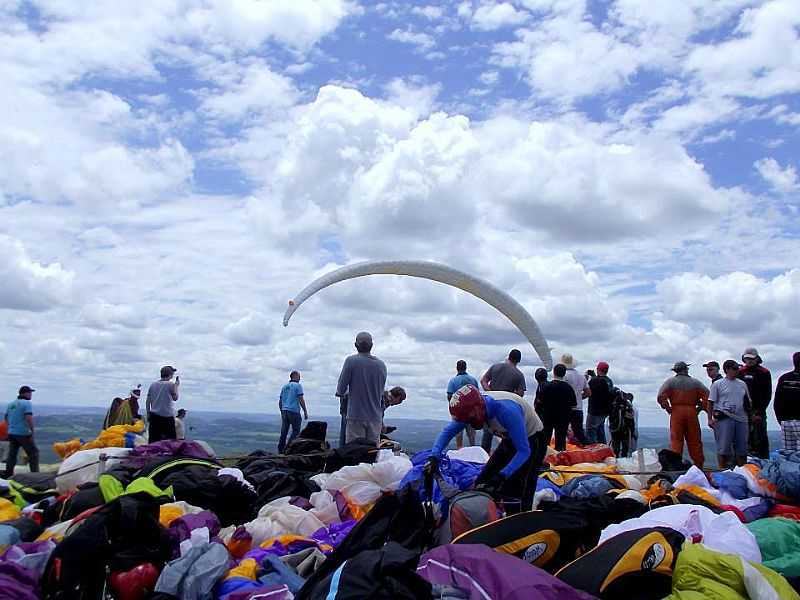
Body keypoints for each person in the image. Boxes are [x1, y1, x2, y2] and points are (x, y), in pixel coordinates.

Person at [428, 385, 544, 512]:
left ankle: (521, 519)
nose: (469, 423)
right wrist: (434, 456)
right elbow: (448, 432)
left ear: (478, 409)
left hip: (532, 438)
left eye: (470, 420)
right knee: (483, 481)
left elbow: (524, 451)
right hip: (508, 438)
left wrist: (503, 475)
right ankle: (485, 513)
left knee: (518, 487)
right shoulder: (469, 410)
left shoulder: (507, 412)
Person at [336, 332, 387, 445]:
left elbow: (340, 390)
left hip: (356, 415)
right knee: (372, 454)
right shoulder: (381, 365)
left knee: (355, 452)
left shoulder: (351, 361)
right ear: (372, 345)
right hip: (375, 417)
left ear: (356, 345)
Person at [657, 361, 709, 468]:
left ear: (675, 370)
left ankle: (676, 465)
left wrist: (668, 408)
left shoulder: (670, 382)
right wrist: (700, 408)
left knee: (676, 440)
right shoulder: (696, 383)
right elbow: (707, 396)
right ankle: (698, 465)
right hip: (691, 412)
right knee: (695, 440)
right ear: (686, 369)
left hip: (676, 412)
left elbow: (660, 396)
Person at [480, 349, 526, 452]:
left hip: (489, 402)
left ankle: (484, 457)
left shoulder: (495, 366)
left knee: (487, 433)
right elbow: (520, 394)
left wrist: (490, 393)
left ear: (508, 357)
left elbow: (483, 380)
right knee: (506, 433)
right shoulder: (519, 375)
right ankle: (504, 458)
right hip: (505, 406)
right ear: (518, 360)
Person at [709, 360, 752, 468]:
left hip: (741, 418)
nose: (737, 371)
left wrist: (750, 416)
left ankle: (742, 471)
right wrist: (710, 419)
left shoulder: (742, 384)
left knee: (742, 449)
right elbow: (710, 402)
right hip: (724, 418)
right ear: (727, 369)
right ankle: (722, 470)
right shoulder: (718, 384)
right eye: (735, 368)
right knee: (723, 449)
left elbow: (748, 401)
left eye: (738, 368)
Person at [737, 347, 772, 459]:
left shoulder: (764, 372)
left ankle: (764, 460)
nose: (749, 361)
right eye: (747, 358)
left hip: (759, 411)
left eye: (752, 358)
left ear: (757, 358)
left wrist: (760, 411)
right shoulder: (741, 372)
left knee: (760, 438)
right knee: (745, 439)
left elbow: (767, 394)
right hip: (743, 411)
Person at [2, 386, 39, 478]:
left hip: (11, 433)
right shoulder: (27, 403)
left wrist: (11, 427)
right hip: (23, 433)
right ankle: (35, 476)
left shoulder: (11, 404)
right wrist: (32, 431)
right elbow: (28, 418)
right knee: (33, 453)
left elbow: (6, 418)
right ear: (25, 393)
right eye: (29, 392)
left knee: (12, 454)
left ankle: (8, 474)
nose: (31, 394)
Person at [539, 364, 574, 451]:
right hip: (563, 418)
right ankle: (560, 460)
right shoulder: (568, 388)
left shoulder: (547, 387)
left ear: (554, 372)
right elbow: (573, 404)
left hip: (548, 416)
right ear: (564, 374)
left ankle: (543, 458)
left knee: (545, 440)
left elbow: (539, 401)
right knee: (561, 442)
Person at [447, 360, 479, 448]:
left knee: (458, 435)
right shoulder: (473, 380)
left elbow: (449, 396)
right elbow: (478, 396)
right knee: (472, 437)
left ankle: (460, 452)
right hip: (471, 412)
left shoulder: (453, 381)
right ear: (466, 368)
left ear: (457, 368)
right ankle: (473, 454)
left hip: (458, 413)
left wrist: (453, 409)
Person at [560, 353, 589, 445]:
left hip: (565, 408)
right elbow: (588, 392)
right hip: (578, 408)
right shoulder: (581, 376)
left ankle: (561, 451)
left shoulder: (563, 376)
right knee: (579, 432)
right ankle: (588, 448)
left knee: (562, 431)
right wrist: (579, 398)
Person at [146, 366, 180, 443]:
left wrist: (148, 413)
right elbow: (175, 397)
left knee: (153, 441)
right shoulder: (170, 384)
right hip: (167, 416)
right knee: (170, 442)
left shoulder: (153, 385)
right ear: (170, 374)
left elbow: (148, 400)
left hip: (154, 416)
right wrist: (176, 386)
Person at [774, 352, 800, 451]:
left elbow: (777, 401)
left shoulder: (784, 378)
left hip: (786, 421)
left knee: (789, 454)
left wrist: (780, 420)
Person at [278, 371, 308, 453]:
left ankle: (280, 449)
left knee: (284, 431)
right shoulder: (298, 386)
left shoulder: (284, 387)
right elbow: (301, 399)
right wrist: (305, 411)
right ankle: (288, 449)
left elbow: (280, 401)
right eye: (299, 376)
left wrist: (282, 411)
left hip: (285, 410)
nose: (300, 378)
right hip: (294, 411)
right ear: (295, 376)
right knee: (296, 431)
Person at [587, 361, 614, 444]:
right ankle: (603, 449)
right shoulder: (609, 381)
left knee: (591, 430)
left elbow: (589, 389)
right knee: (600, 429)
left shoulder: (595, 381)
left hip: (595, 411)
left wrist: (587, 377)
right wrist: (594, 376)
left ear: (598, 369)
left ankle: (593, 451)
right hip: (605, 411)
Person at [609, 389, 636, 458]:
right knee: (625, 448)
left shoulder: (615, 407)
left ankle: (617, 458)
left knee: (616, 447)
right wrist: (632, 433)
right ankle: (624, 460)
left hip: (617, 430)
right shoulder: (629, 407)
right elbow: (632, 422)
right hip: (625, 430)